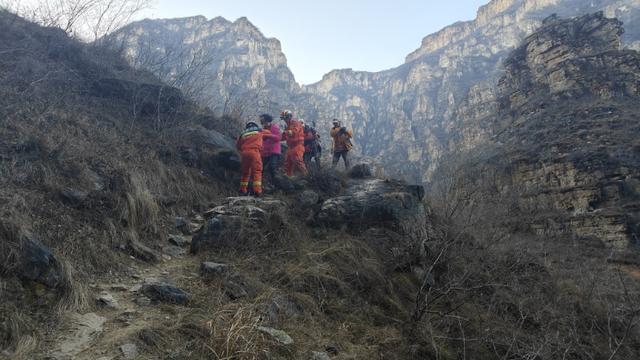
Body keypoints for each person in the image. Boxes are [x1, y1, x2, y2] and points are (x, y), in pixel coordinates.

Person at [236, 121, 270, 196]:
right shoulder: (259, 131)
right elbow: (269, 133)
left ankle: (242, 190)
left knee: (245, 172)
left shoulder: (243, 134)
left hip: (244, 154)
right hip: (254, 152)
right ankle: (257, 191)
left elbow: (238, 146)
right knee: (257, 171)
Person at [280, 110, 307, 177]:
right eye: (283, 118)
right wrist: (277, 138)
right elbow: (284, 137)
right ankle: (289, 176)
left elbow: (294, 132)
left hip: (298, 145)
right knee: (288, 162)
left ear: (289, 117)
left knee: (298, 160)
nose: (284, 120)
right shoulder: (287, 126)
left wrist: (285, 132)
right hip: (291, 146)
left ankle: (306, 175)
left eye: (285, 118)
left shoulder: (295, 123)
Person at [259, 114, 281, 188]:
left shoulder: (274, 127)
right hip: (265, 152)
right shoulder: (263, 129)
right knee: (260, 167)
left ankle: (275, 183)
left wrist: (268, 135)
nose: (261, 122)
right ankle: (259, 183)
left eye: (262, 120)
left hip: (274, 151)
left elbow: (278, 138)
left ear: (267, 120)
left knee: (272, 167)